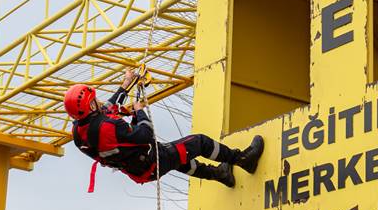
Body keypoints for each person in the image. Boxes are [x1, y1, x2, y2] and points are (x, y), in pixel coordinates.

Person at [65, 69, 264, 189]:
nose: (99, 101)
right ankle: (242, 159)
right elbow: (145, 134)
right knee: (198, 143)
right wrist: (139, 111)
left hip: (138, 169)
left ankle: (221, 175)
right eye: (95, 101)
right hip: (151, 161)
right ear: (91, 107)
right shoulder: (110, 127)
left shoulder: (79, 133)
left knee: (180, 159)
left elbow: (107, 109)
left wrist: (125, 86)